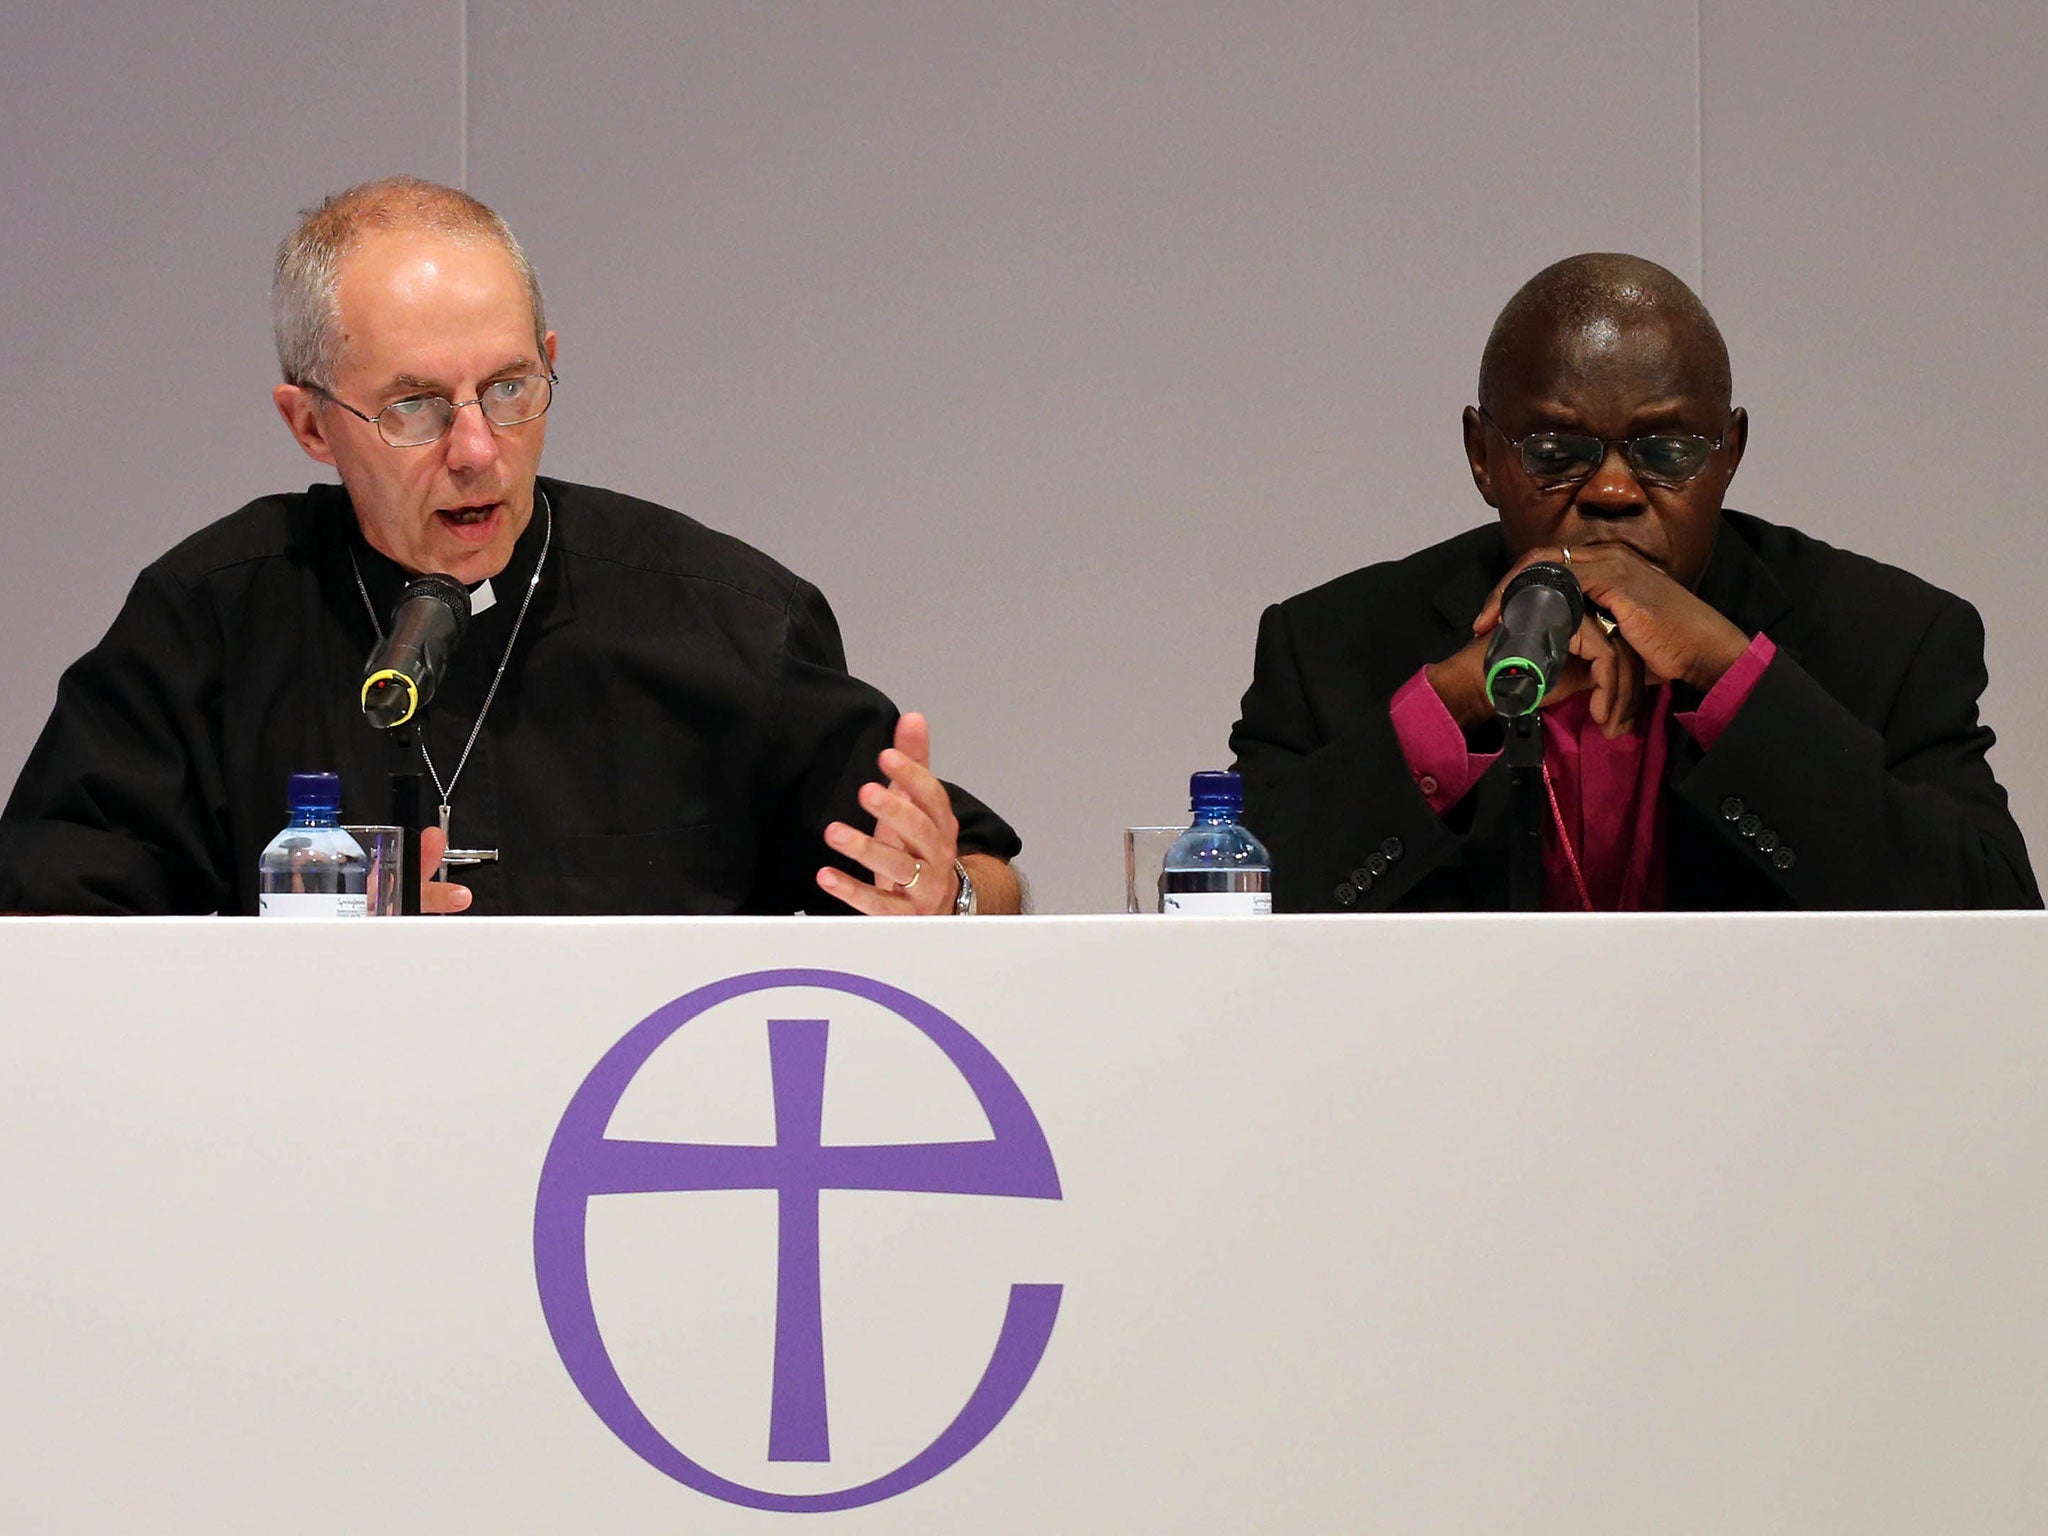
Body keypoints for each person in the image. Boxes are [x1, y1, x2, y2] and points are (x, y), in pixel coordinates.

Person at [0, 177, 1021, 917]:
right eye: (414, 408)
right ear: (310, 424)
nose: (478, 450)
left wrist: (955, 896)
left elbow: (973, 868)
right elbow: (54, 926)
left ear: (550, 363)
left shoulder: (726, 616)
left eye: (509, 389)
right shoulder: (207, 622)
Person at [1230, 253, 2038, 912]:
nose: (1613, 491)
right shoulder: (1330, 645)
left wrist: (1733, 677)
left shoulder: (1890, 638)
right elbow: (1215, 930)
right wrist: (1451, 705)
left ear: (1730, 454)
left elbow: (1995, 920)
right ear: (1483, 456)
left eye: (1667, 451)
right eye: (1555, 450)